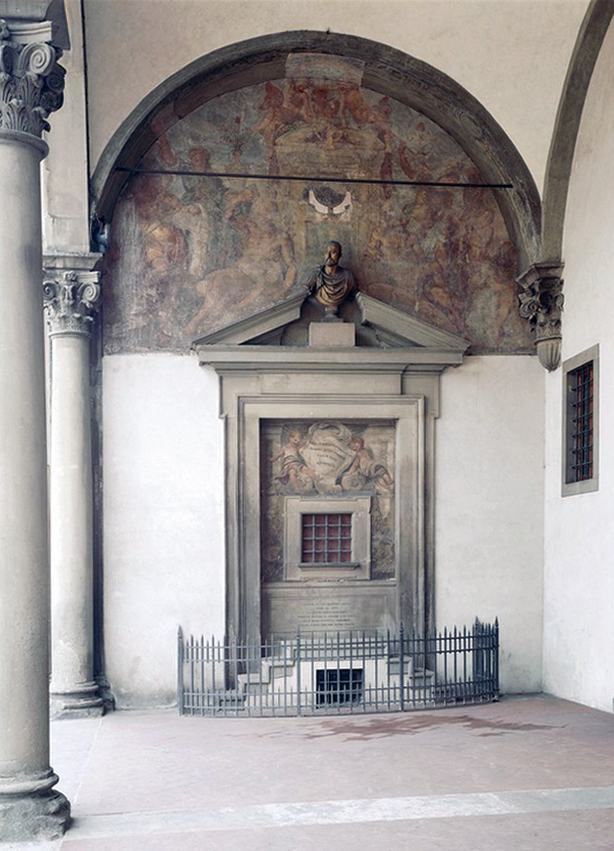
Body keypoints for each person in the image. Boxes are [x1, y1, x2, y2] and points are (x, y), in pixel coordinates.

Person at [307, 241, 356, 318]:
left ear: (339, 255)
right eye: (327, 252)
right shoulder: (316, 275)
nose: (329, 256)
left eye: (333, 252)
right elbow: (306, 291)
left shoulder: (348, 276)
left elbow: (354, 293)